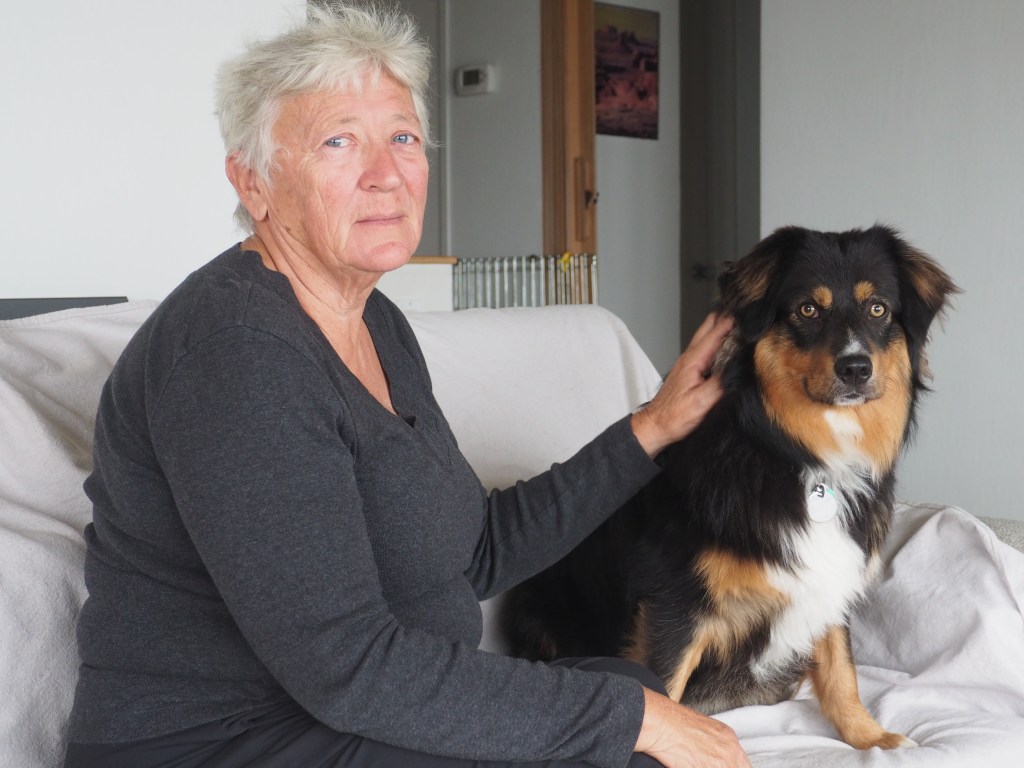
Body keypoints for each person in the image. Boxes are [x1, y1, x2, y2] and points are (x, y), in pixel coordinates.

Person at [63, 5, 748, 768]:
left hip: (344, 714)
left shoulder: (375, 321)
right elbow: (347, 667)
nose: (386, 174)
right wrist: (631, 722)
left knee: (629, 688)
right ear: (254, 183)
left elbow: (474, 550)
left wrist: (653, 427)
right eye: (338, 141)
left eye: (403, 138)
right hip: (224, 743)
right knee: (633, 734)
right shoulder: (236, 352)